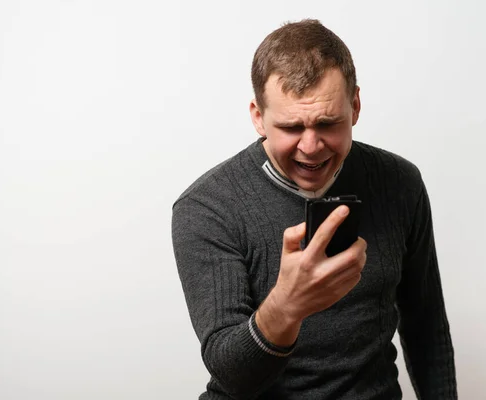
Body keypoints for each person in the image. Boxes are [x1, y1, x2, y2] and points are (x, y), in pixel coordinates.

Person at [172, 19, 457, 399]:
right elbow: (231, 374)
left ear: (354, 106)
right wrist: (287, 306)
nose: (311, 146)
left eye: (327, 123)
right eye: (291, 127)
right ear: (258, 117)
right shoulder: (208, 207)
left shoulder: (400, 183)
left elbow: (426, 328)